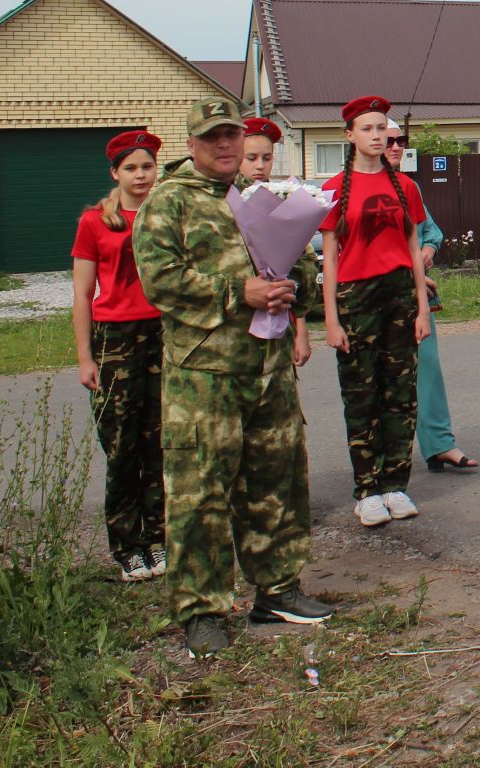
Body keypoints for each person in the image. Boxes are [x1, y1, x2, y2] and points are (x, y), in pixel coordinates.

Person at [132, 95, 333, 659]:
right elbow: (160, 282)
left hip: (267, 368)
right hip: (205, 375)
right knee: (200, 494)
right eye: (213, 137)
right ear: (191, 144)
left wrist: (300, 273)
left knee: (276, 481)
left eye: (231, 136)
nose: (225, 146)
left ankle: (277, 590)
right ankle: (203, 610)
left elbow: (302, 276)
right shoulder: (167, 203)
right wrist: (236, 292)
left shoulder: (256, 198)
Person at [320, 96, 433, 528]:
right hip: (355, 297)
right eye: (367, 129)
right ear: (349, 136)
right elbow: (329, 259)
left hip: (401, 294)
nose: (376, 135)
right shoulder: (333, 189)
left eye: (381, 128)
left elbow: (411, 248)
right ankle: (366, 489)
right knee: (361, 395)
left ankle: (395, 484)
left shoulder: (404, 187)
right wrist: (331, 319)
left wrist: (423, 309)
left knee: (400, 394)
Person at [72, 128, 166, 584]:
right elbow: (82, 294)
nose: (141, 174)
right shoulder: (96, 221)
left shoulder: (166, 214)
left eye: (147, 166)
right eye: (131, 167)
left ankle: (159, 538)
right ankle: (127, 546)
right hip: (115, 339)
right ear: (115, 173)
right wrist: (85, 357)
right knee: (123, 445)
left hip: (162, 333)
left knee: (161, 442)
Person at [373, 124, 478, 474]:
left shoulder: (410, 186)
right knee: (377, 378)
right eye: (388, 141)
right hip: (372, 295)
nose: (395, 147)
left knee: (427, 368)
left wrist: (428, 249)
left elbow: (430, 230)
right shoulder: (352, 188)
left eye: (401, 141)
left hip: (417, 294)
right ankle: (380, 462)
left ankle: (439, 444)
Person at [239, 117, 313, 370]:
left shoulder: (283, 200)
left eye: (267, 158)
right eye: (251, 158)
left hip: (281, 319)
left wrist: (301, 330)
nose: (260, 166)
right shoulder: (227, 201)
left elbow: (300, 267)